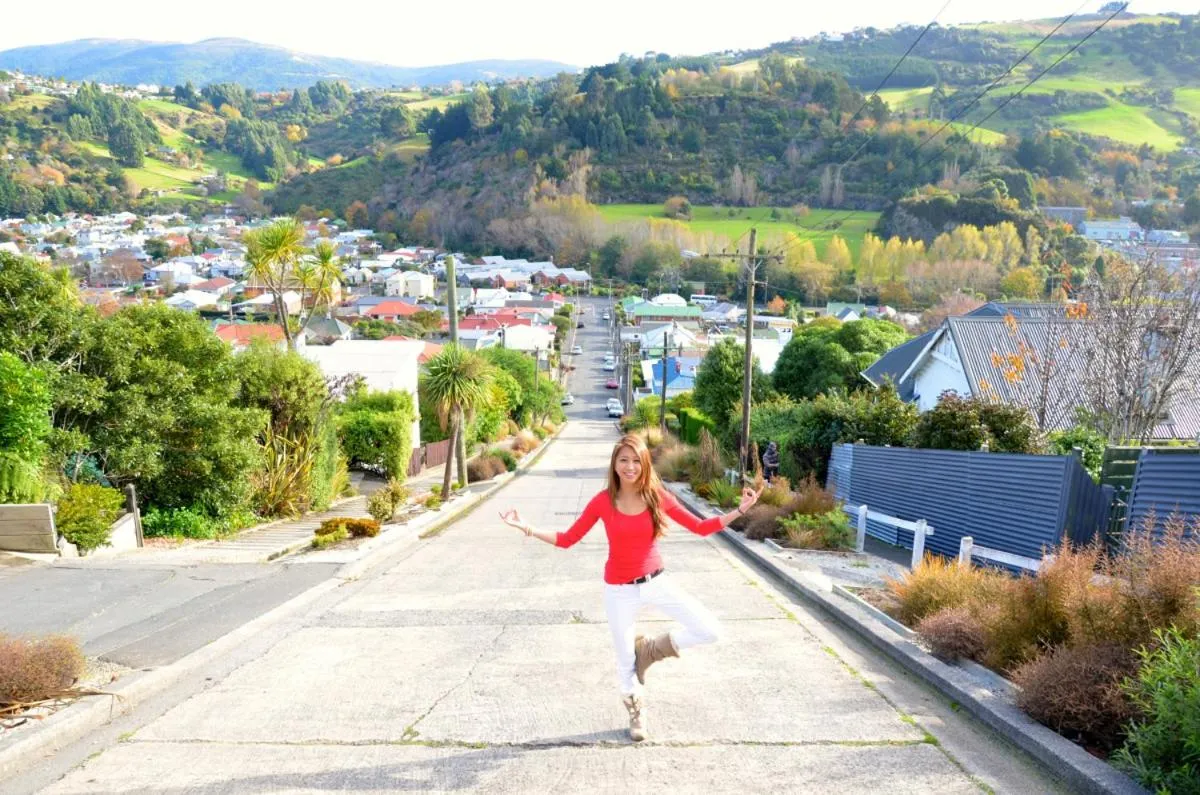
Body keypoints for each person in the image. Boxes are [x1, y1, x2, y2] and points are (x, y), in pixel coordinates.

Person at [499, 433, 761, 742]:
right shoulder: (602, 502)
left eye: (636, 460)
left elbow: (701, 528)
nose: (630, 466)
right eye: (624, 460)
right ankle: (636, 710)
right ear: (614, 464)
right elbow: (568, 539)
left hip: (656, 581)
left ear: (645, 464)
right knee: (625, 662)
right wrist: (527, 528)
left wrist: (741, 510)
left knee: (710, 629)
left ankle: (651, 649)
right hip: (619, 590)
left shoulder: (657, 496)